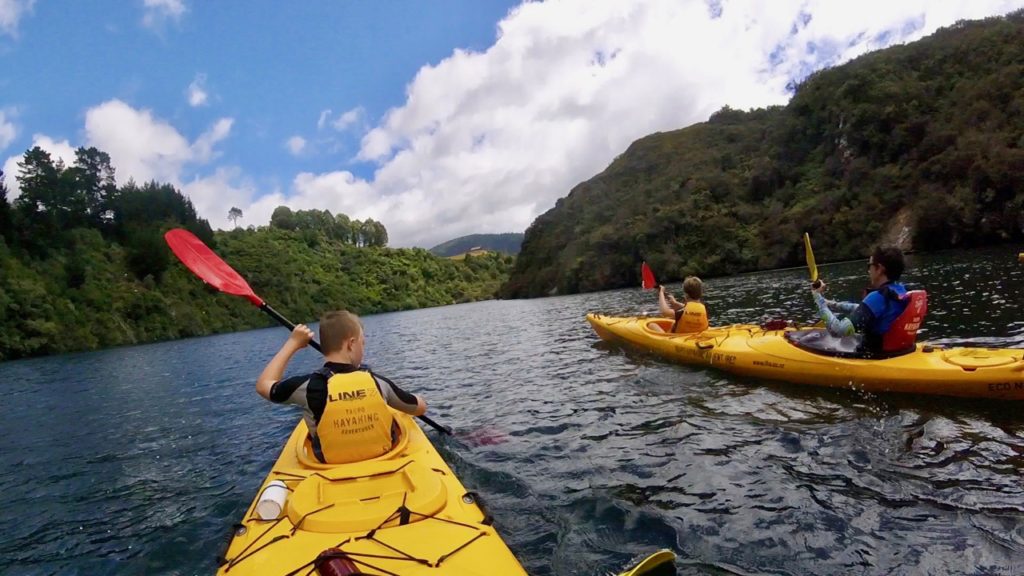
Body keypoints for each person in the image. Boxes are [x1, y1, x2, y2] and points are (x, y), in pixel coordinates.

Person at [256, 310, 427, 464]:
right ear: (351, 344)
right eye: (363, 343)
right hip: (383, 462)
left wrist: (293, 343)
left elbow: (264, 386)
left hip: (330, 468)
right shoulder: (378, 383)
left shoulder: (307, 387)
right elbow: (419, 408)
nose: (363, 348)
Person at [811, 245, 924, 355]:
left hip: (876, 357)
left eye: (869, 265)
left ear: (879, 269)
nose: (869, 271)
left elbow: (838, 331)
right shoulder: (901, 291)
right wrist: (830, 304)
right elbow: (863, 309)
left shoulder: (878, 297)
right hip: (901, 352)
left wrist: (817, 297)